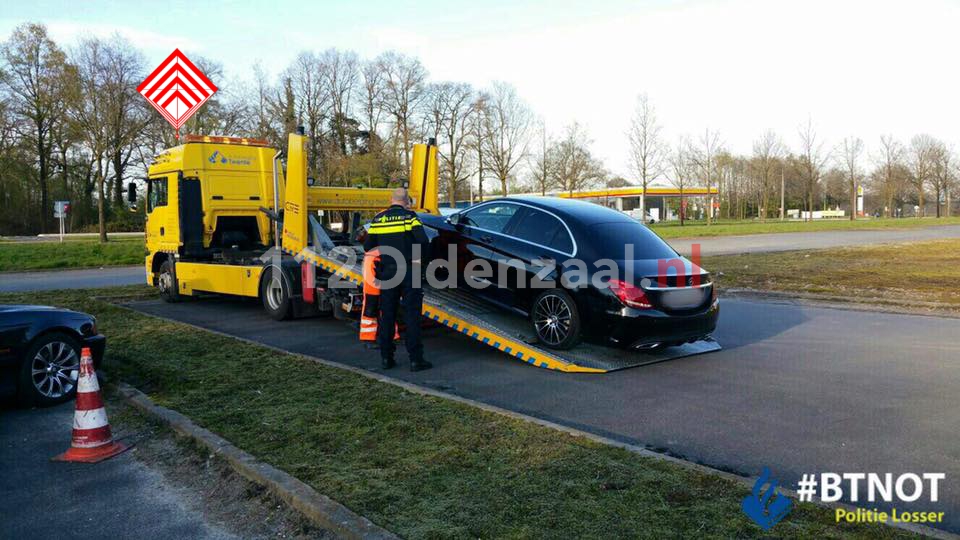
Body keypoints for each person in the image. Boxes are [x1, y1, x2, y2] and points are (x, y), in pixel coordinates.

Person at [363, 188, 431, 371]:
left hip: (388, 273)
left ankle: (387, 358)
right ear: (407, 201)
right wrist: (419, 261)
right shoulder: (410, 217)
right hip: (410, 272)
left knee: (388, 316)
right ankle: (416, 360)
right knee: (412, 316)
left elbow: (368, 245)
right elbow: (423, 241)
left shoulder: (379, 219)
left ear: (391, 200)